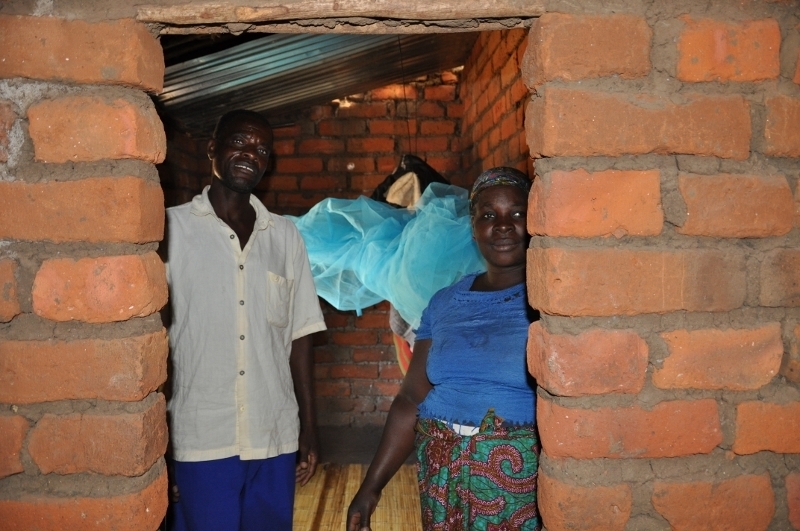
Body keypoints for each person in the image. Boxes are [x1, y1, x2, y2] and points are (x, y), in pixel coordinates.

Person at [346, 167, 541, 531]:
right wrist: (371, 487)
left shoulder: (548, 304)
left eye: (517, 213)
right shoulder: (444, 302)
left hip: (515, 484)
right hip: (441, 476)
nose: (503, 226)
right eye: (489, 215)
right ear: (473, 227)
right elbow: (411, 398)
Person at [162, 109, 326, 531]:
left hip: (273, 431)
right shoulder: (171, 230)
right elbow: (154, 341)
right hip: (200, 435)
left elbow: (300, 335)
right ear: (212, 149)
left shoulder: (284, 236)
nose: (251, 154)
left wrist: (309, 428)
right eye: (240, 142)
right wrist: (159, 442)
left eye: (262, 150)